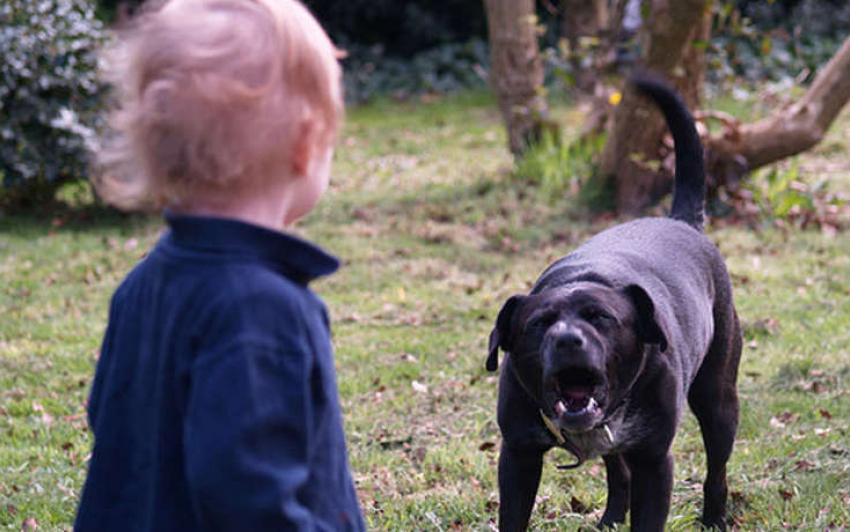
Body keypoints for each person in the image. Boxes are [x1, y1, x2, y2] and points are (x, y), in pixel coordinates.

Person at [74, 0, 365, 530]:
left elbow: (110, 419)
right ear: (305, 145)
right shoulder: (264, 310)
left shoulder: (143, 284)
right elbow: (251, 500)